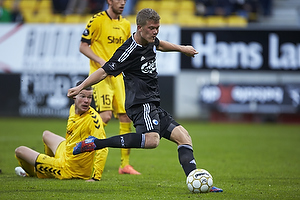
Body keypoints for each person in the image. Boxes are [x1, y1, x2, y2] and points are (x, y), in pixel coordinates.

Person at [68, 8, 223, 192]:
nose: (155, 31)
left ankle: (196, 180)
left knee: (184, 137)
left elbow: (160, 44)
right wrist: (80, 87)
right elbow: (103, 71)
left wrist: (182, 49)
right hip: (140, 103)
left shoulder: (149, 39)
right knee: (152, 140)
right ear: (139, 28)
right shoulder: (127, 51)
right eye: (152, 28)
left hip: (152, 102)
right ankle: (96, 143)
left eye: (157, 27)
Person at [79, 0, 140, 175]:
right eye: (118, 0)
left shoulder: (126, 24)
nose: (122, 3)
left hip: (119, 76)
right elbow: (83, 46)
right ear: (109, 1)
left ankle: (125, 165)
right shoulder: (97, 20)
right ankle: (83, 151)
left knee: (125, 117)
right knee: (105, 116)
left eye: (125, 0)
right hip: (100, 75)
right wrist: (100, 61)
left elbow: (128, 49)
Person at [15, 81, 108, 181]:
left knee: (20, 151)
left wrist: (96, 177)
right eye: (82, 96)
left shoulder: (93, 119)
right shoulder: (73, 109)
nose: (86, 101)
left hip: (71, 169)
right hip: (66, 152)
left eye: (89, 97)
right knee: (46, 134)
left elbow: (103, 147)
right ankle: (47, 166)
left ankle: (33, 173)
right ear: (74, 96)